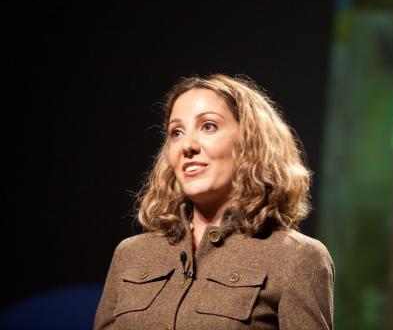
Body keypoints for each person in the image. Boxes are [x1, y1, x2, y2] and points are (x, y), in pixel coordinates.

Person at [94, 74, 334, 329]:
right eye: (176, 132)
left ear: (249, 143)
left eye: (208, 126)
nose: (187, 145)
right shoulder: (131, 254)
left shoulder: (296, 257)